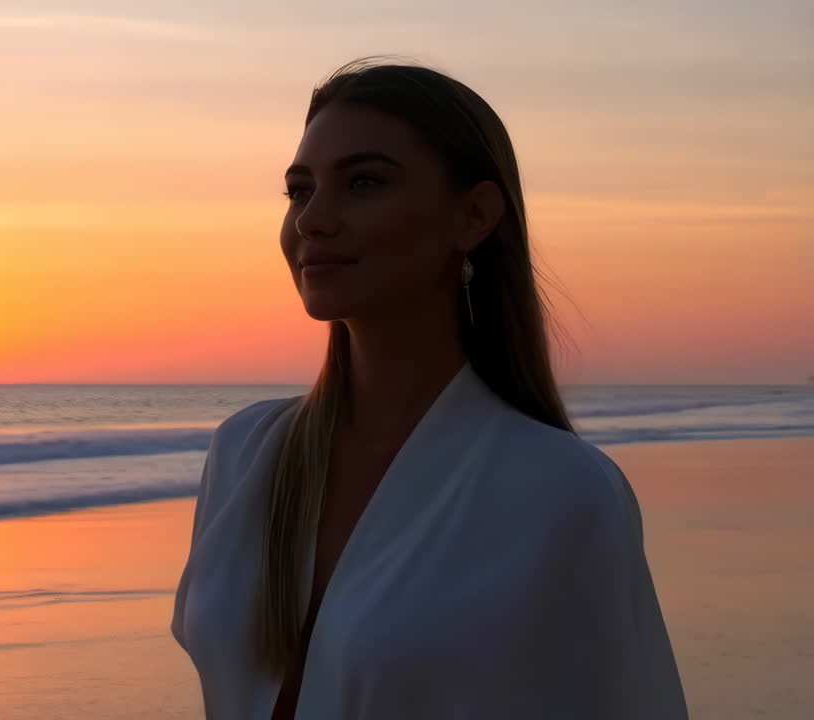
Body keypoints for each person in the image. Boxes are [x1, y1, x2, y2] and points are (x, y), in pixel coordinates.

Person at [169, 57, 689, 719]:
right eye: (300, 190)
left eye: (362, 183)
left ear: (473, 216)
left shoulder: (558, 492)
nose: (312, 220)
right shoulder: (245, 456)